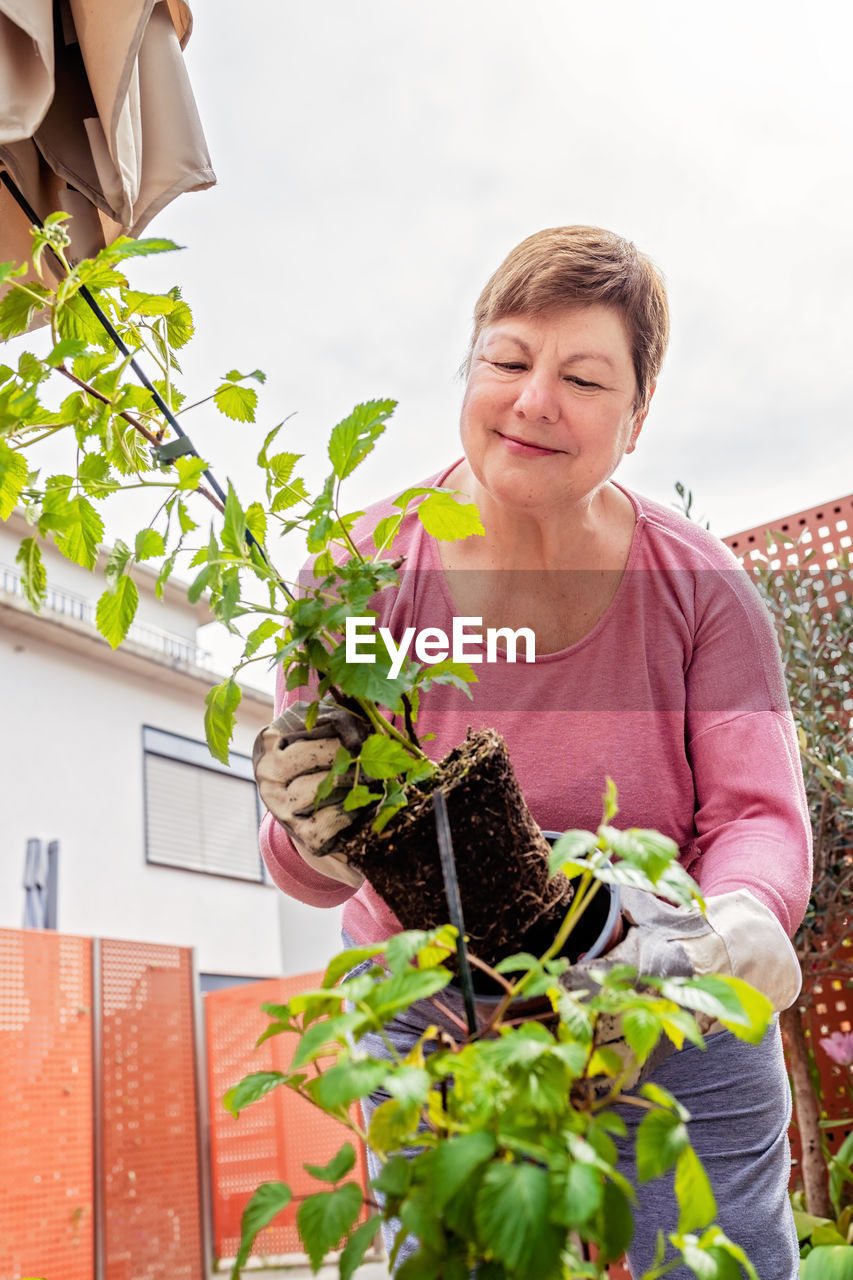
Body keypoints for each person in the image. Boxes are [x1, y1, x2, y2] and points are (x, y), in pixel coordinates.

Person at [254, 226, 812, 1278]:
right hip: (437, 1004)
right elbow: (308, 858)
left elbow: (757, 817)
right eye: (506, 361)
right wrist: (308, 833)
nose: (533, 399)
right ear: (468, 371)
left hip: (659, 981)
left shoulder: (702, 589)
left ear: (637, 417)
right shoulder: (359, 576)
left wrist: (742, 910)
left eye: (584, 376)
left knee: (711, 1256)